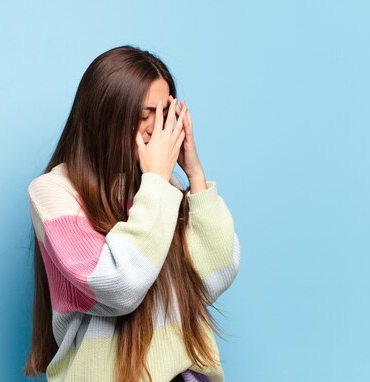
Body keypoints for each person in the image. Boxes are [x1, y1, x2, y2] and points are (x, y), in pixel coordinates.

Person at [23, 45, 241, 382]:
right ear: (108, 115)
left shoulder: (160, 189)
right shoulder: (53, 192)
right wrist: (156, 182)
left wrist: (194, 175)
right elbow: (119, 286)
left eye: (166, 112)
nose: (158, 128)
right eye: (144, 114)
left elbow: (215, 277)